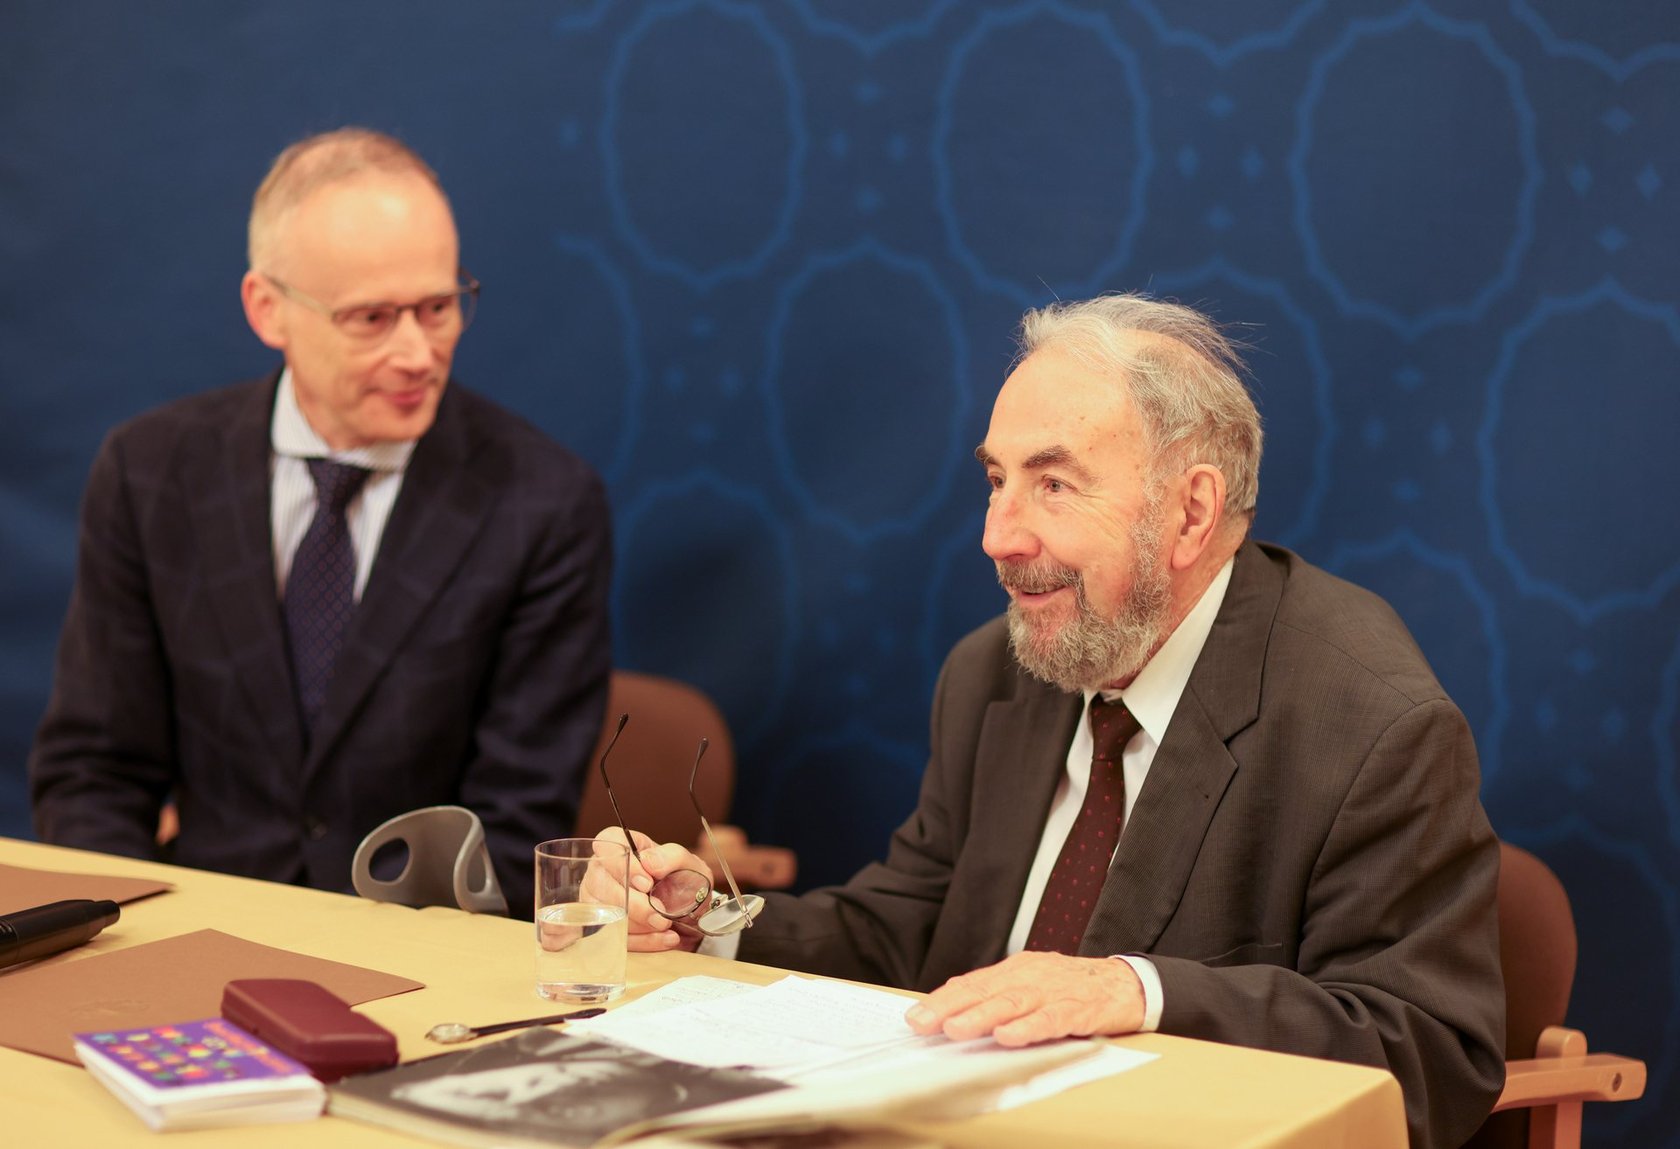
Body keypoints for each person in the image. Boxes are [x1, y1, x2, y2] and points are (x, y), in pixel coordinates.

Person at [601, 294, 1505, 1149]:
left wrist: (1139, 992)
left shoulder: (1371, 722)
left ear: (1191, 512)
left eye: (1055, 485)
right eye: (997, 480)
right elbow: (907, 927)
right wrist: (707, 919)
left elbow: (1428, 1049)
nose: (999, 535)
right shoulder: (994, 675)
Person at [29, 128, 612, 918]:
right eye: (372, 317)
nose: (418, 353)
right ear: (267, 309)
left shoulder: (542, 502)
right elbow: (94, 774)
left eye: (439, 307)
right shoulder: (150, 473)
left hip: (425, 954)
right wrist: (127, 943)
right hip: (193, 937)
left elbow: (514, 825)